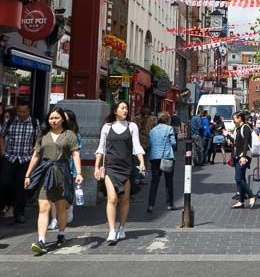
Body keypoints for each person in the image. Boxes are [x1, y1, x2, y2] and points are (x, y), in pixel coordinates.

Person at [24, 106, 83, 255]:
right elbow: (36, 156)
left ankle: (61, 233)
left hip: (62, 172)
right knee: (43, 207)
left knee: (61, 207)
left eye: (56, 117)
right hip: (46, 171)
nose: (53, 120)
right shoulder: (43, 135)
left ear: (62, 118)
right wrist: (28, 174)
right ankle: (42, 240)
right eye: (51, 118)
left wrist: (79, 173)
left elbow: (75, 154)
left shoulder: (69, 135)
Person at [95, 101, 146, 244]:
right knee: (112, 198)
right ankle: (112, 230)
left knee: (124, 199)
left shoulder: (132, 126)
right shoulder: (107, 127)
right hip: (110, 167)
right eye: (122, 108)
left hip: (126, 168)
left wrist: (141, 162)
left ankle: (122, 228)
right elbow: (101, 148)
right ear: (115, 110)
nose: (125, 110)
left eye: (126, 108)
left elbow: (136, 146)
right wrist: (97, 166)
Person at [0, 101, 40, 223]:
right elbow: (1, 135)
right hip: (10, 157)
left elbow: (38, 139)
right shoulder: (11, 121)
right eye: (20, 111)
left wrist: (35, 154)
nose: (22, 114)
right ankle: (7, 205)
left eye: (25, 111)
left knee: (22, 187)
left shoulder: (34, 122)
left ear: (29, 111)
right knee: (5, 183)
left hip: (25, 159)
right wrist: (2, 151)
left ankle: (19, 212)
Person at [147, 111, 178, 213]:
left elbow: (149, 145)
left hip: (155, 158)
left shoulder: (152, 130)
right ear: (167, 119)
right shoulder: (169, 129)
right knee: (169, 182)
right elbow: (173, 143)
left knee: (154, 182)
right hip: (167, 157)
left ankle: (150, 205)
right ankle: (170, 204)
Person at [228, 111, 255, 209]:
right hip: (237, 156)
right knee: (241, 178)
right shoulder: (237, 129)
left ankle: (251, 195)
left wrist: (243, 156)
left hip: (243, 156)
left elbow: (246, 143)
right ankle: (241, 201)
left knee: (238, 178)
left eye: (234, 119)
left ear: (240, 118)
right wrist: (227, 135)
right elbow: (236, 142)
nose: (233, 121)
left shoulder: (246, 128)